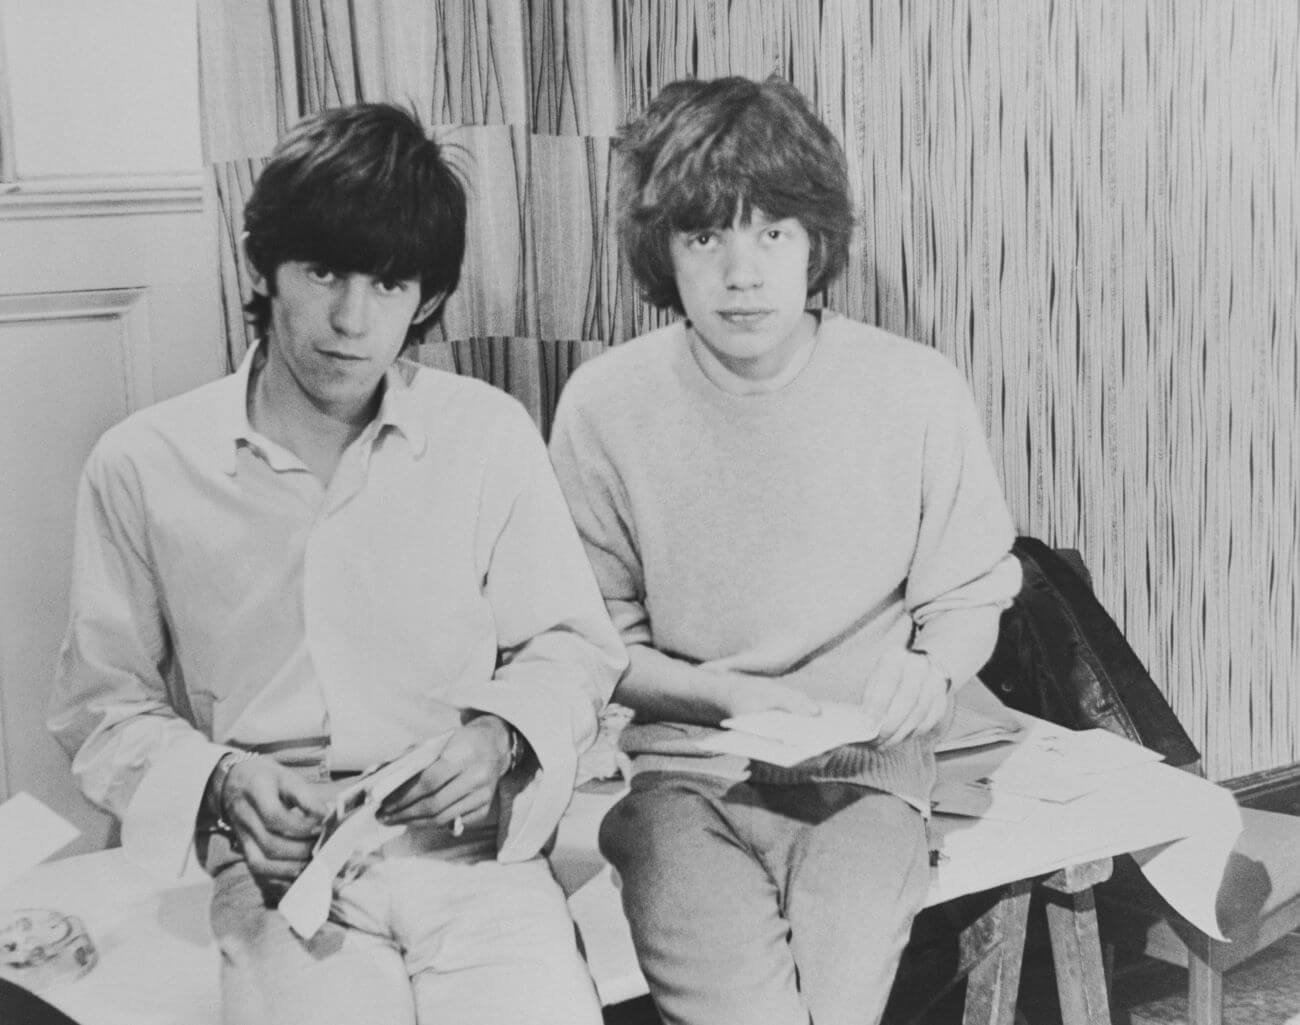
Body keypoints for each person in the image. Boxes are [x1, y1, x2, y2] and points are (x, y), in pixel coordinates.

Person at [48, 102, 625, 1025]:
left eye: (391, 285)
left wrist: (501, 737)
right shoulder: (144, 461)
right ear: (263, 265)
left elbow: (570, 644)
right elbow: (99, 706)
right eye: (324, 272)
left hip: (472, 858)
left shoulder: (484, 433)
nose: (353, 319)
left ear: (428, 299)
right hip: (279, 869)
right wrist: (223, 786)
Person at [547, 76, 1022, 1025]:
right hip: (685, 776)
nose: (741, 272)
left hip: (866, 771)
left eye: (772, 232)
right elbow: (594, 640)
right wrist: (728, 696)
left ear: (816, 242)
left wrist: (931, 674)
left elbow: (969, 594)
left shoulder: (915, 388)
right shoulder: (605, 405)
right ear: (663, 252)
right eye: (705, 236)